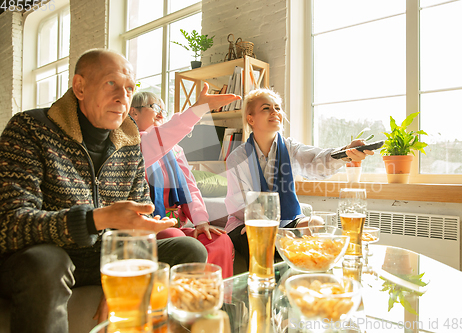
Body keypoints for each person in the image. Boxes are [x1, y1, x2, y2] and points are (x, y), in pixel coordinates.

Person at [0, 49, 237, 333]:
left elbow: (136, 223)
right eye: (112, 83)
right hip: (42, 256)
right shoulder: (30, 128)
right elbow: (11, 224)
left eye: (129, 89)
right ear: (80, 86)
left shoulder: (130, 143)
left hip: (103, 256)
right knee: (48, 262)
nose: (123, 96)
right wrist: (96, 219)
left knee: (188, 248)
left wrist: (122, 275)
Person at [224, 88, 374, 268]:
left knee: (316, 224)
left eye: (278, 108)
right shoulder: (237, 158)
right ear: (250, 118)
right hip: (247, 223)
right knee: (262, 240)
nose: (275, 112)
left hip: (285, 220)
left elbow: (316, 160)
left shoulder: (289, 147)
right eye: (266, 108)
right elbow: (240, 203)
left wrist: (346, 153)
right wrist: (272, 229)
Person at [129, 90, 236, 278]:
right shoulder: (133, 145)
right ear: (133, 112)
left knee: (220, 240)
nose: (162, 114)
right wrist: (199, 108)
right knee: (177, 239)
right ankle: (188, 300)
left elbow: (190, 187)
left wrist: (202, 222)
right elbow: (159, 140)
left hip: (177, 224)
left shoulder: (175, 150)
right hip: (149, 228)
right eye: (155, 108)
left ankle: (217, 301)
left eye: (164, 109)